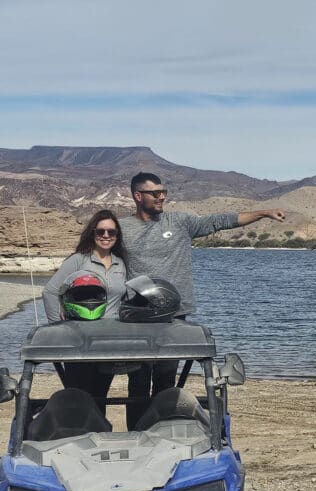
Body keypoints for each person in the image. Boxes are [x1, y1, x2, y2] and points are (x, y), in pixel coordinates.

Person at [119, 172, 286, 423]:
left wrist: (261, 213)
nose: (161, 197)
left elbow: (220, 221)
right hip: (137, 315)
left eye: (164, 192)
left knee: (166, 378)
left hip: (174, 314)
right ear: (138, 195)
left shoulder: (179, 221)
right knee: (138, 379)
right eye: (155, 193)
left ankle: (162, 432)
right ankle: (136, 432)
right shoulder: (121, 228)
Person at [42, 209, 127, 407]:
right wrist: (59, 329)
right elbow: (50, 292)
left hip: (109, 341)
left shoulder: (121, 263)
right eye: (101, 231)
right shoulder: (79, 260)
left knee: (100, 396)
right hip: (79, 340)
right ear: (93, 233)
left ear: (117, 235)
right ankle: (78, 434)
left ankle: (99, 434)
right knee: (78, 396)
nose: (106, 236)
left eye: (111, 232)